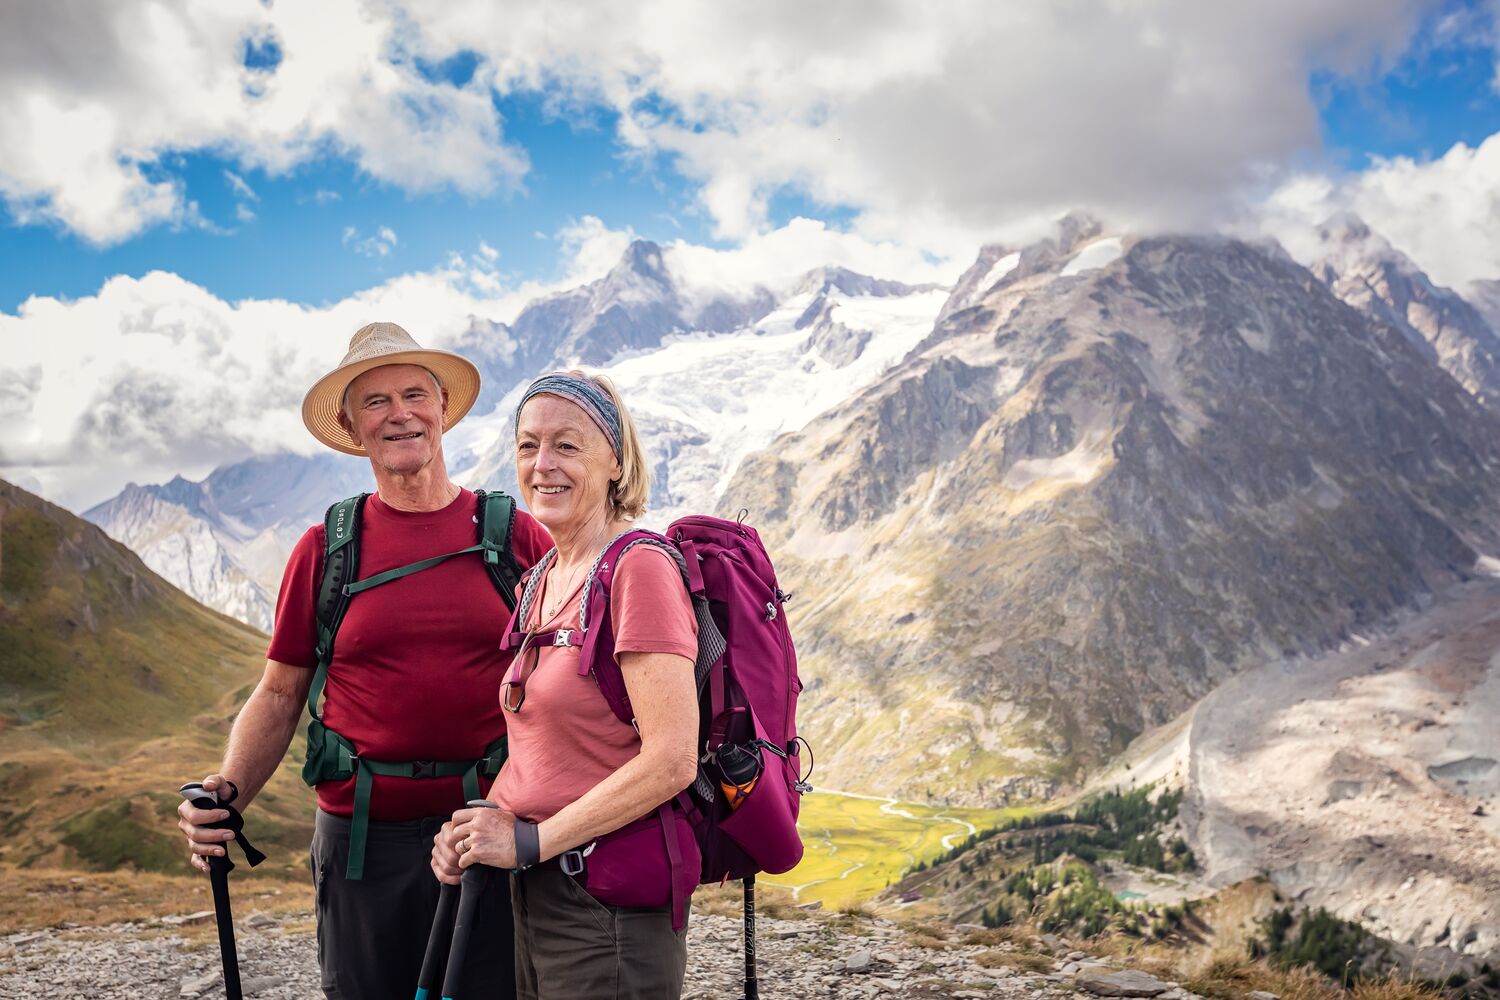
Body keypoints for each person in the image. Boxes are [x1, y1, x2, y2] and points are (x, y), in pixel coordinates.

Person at [177, 322, 551, 1000]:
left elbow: (563, 683)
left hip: (489, 829)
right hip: (360, 843)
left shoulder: (515, 535)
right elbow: (280, 693)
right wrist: (227, 793)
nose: (400, 414)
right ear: (353, 427)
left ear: (442, 406)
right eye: (376, 402)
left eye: (415, 395)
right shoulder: (326, 549)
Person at [431, 371, 701, 1000]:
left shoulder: (639, 568)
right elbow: (539, 749)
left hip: (607, 904)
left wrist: (528, 841)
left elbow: (672, 759)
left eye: (567, 446)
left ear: (615, 462)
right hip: (542, 888)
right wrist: (481, 826)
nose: (542, 464)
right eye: (528, 445)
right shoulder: (543, 577)